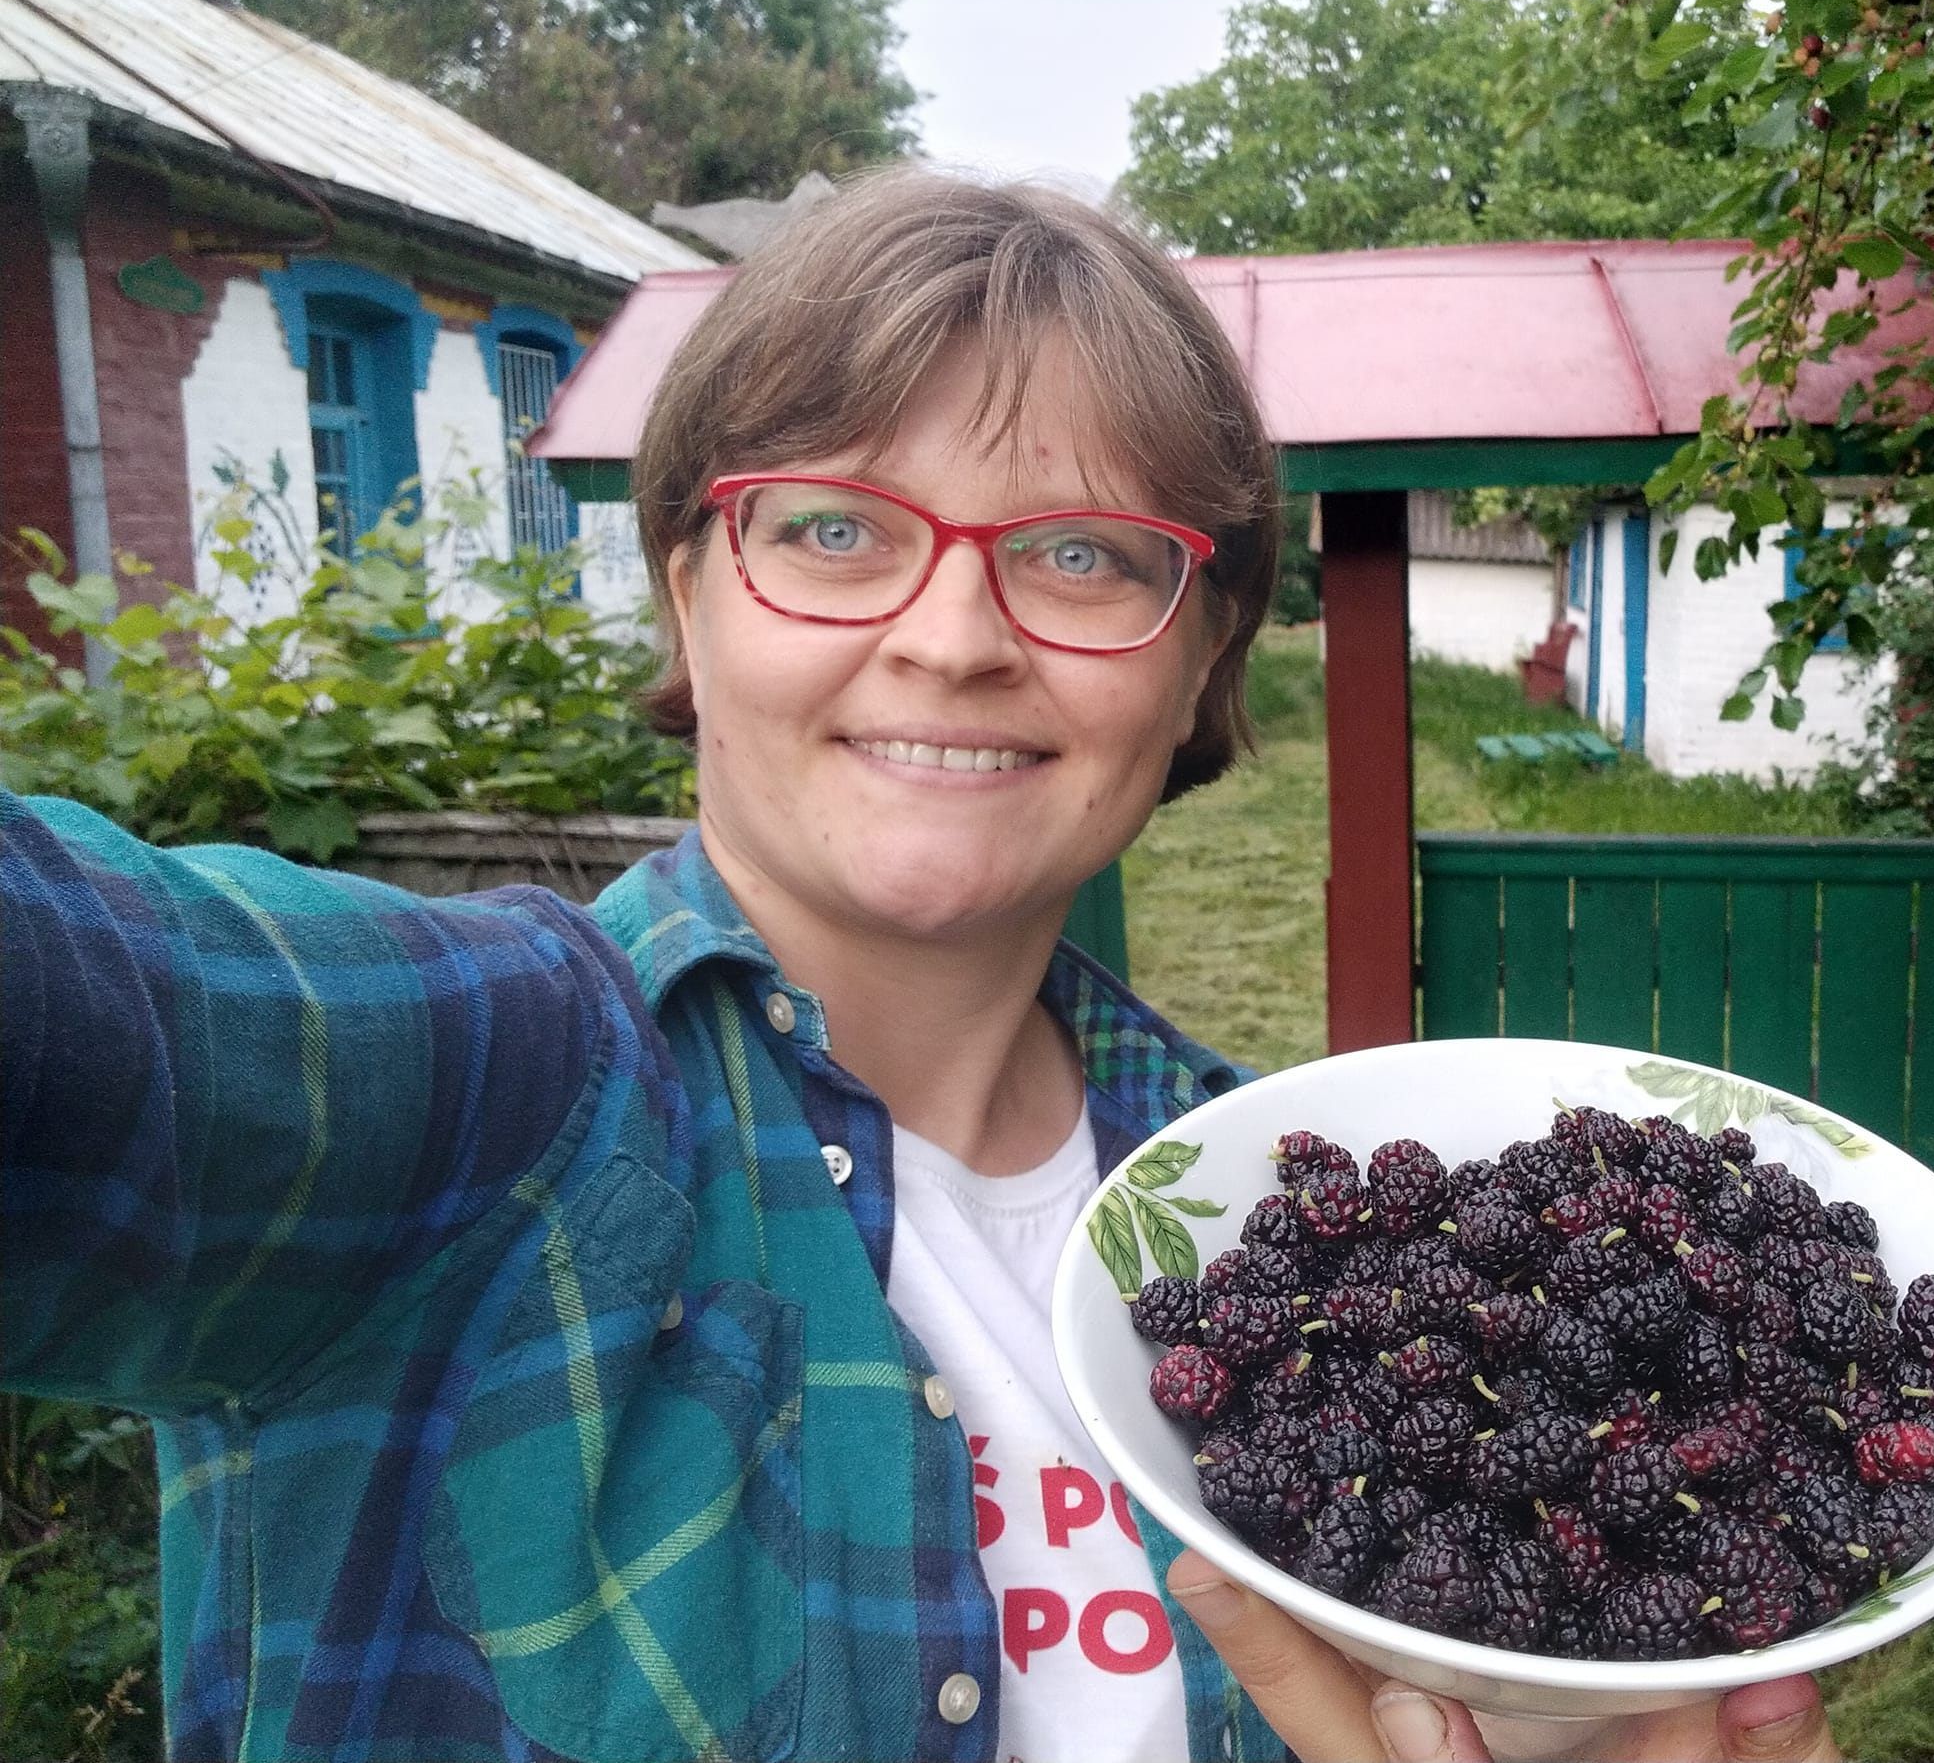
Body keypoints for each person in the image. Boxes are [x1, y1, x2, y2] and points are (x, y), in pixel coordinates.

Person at [2, 171, 1841, 1763]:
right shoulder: (466, 1083)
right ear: (686, 593)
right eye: (832, 530)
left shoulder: (1259, 1224)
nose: (954, 636)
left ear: (1198, 663)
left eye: (1081, 554)